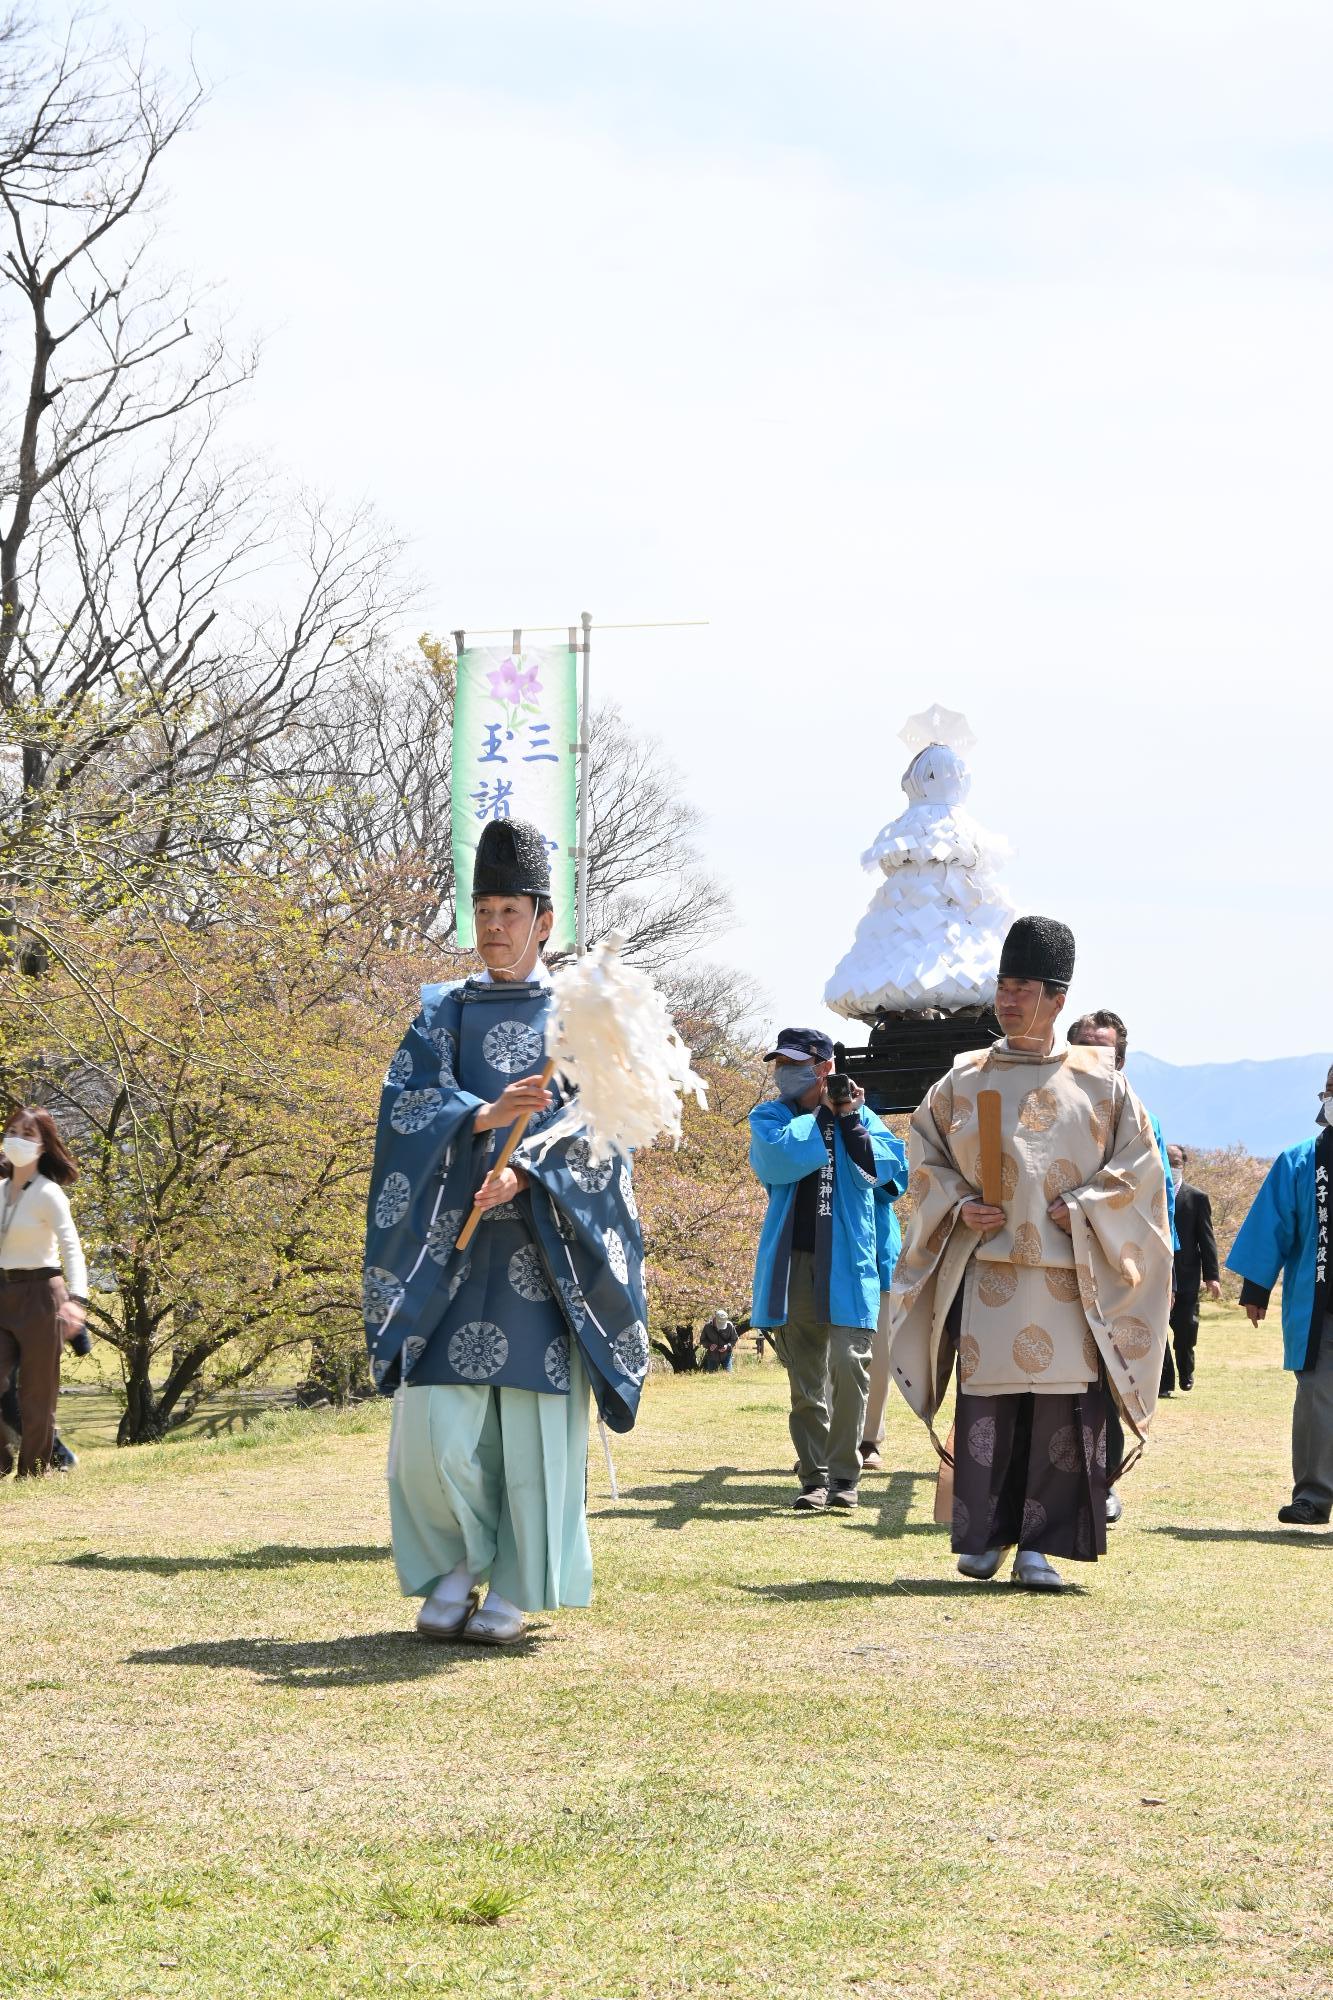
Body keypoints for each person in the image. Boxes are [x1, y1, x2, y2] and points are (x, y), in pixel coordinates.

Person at [364, 819, 650, 1643]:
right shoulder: (439, 1013)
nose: (493, 927)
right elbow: (402, 1109)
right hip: (448, 1254)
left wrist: (531, 1169)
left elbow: (608, 1127)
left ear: (543, 920)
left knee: (530, 1436)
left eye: (509, 911)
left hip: (544, 1254)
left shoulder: (583, 1016)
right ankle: (453, 1566)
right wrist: (483, 1118)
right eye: (482, 910)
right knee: (435, 1430)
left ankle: (518, 1584)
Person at [889, 917, 1173, 1590]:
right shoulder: (961, 1080)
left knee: (1059, 1412)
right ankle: (984, 1539)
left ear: (1056, 999)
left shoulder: (1103, 1086)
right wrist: (958, 1203)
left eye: (1022, 989)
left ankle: (1041, 1549)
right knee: (988, 1410)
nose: (1007, 1001)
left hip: (1071, 1276)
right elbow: (922, 1157)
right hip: (987, 1271)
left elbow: (1139, 1171)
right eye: (1002, 987)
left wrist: (1080, 1207)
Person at [748, 1028, 907, 1513]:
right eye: (779, 1064)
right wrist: (821, 1115)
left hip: (847, 1261)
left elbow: (889, 1177)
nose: (783, 1074)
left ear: (824, 1067)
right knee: (806, 1377)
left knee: (848, 1363)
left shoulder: (862, 1117)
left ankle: (845, 1476)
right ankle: (813, 1478)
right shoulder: (771, 1116)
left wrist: (852, 1119)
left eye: (794, 1064)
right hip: (791, 1263)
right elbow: (776, 1162)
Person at [1065, 1008, 1177, 1524]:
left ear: (1121, 1058)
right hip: (1049, 1260)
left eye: (1103, 1048)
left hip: (1117, 1265)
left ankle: (1103, 1480)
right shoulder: (1047, 1101)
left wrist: (1163, 1269)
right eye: (1083, 1044)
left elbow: (1156, 1199)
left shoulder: (1138, 1115)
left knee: (1110, 1374)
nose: (1093, 1055)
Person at [1226, 1064, 1333, 1526]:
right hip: (1320, 1307)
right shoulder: (1300, 1160)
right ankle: (1313, 1494)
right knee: (1316, 1396)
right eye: (1330, 1089)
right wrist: (1256, 1286)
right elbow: (1273, 1222)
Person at [0, 1107, 90, 1477]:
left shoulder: (49, 1193)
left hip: (42, 1294)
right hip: (2, 1293)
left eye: (28, 1133)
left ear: (42, 1146)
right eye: (12, 1130)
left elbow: (72, 1248)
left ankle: (34, 1471)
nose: (18, 1138)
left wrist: (77, 1301)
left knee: (37, 1394)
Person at [859, 1171, 907, 1472]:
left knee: (879, 1359)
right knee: (824, 1359)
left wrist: (854, 1134)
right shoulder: (808, 1128)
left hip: (879, 1261)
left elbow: (892, 1186)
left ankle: (869, 1441)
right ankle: (824, 1442)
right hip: (827, 1260)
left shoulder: (876, 1133)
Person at [1163, 1144, 1220, 1393]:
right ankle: (1164, 1382)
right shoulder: (1150, 1193)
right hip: (1157, 1276)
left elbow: (1206, 1239)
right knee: (1157, 1332)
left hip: (1186, 1276)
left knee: (1186, 1330)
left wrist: (1212, 1277)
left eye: (1176, 1162)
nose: (1172, 1166)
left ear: (1183, 1165)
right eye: (1168, 1161)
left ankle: (1186, 1372)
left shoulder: (1196, 1197)